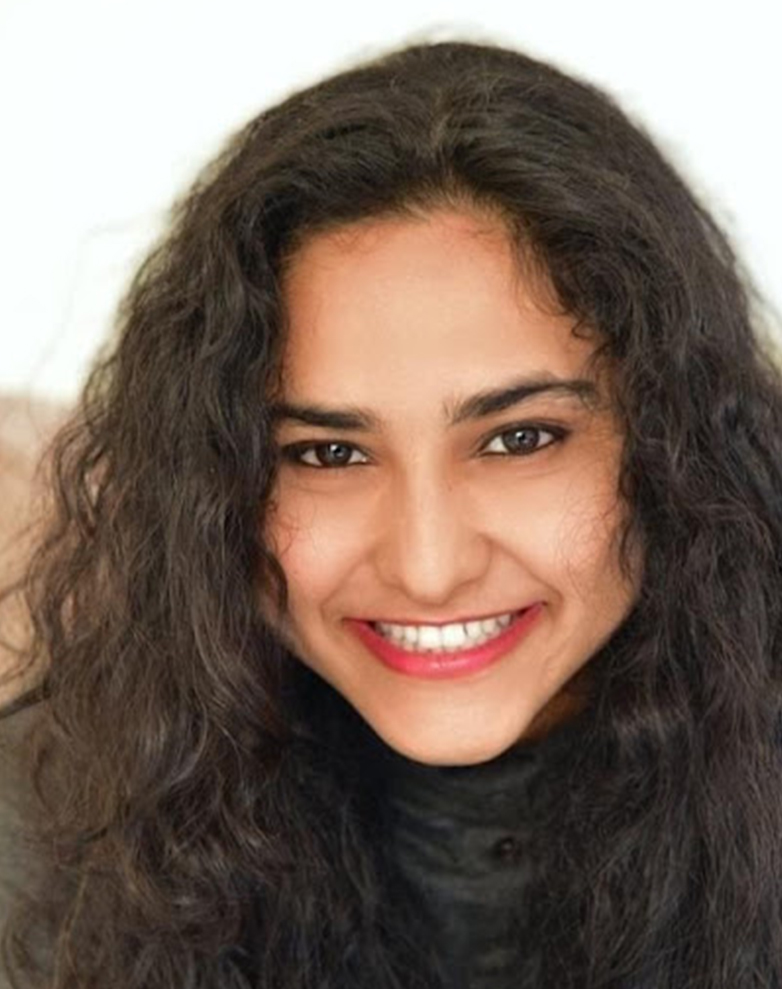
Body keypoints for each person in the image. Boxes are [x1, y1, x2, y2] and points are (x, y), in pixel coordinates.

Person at [2, 37, 782, 989]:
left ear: (675, 444)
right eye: (328, 453)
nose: (428, 567)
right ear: (209, 483)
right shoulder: (44, 830)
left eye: (520, 438)